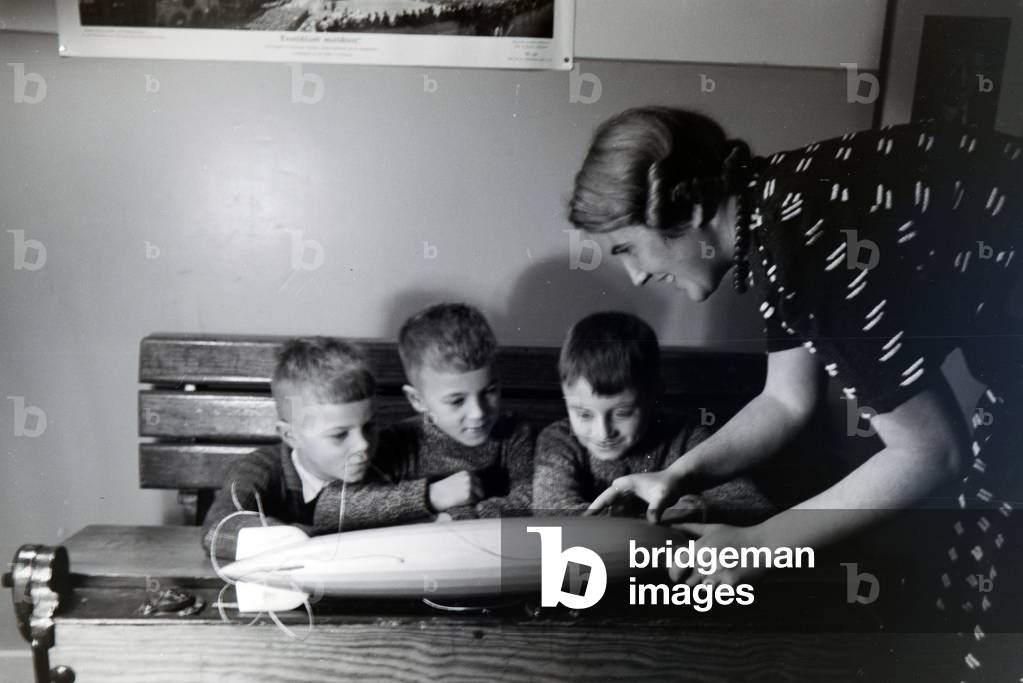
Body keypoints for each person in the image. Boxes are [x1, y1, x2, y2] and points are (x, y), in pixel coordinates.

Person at [570, 107, 1022, 680]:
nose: (634, 277)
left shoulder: (803, 241)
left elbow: (934, 453)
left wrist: (758, 544)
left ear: (689, 209)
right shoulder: (772, 208)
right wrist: (678, 475)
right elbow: (786, 400)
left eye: (627, 249)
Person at [533, 310, 773, 524]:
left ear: (654, 393)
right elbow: (552, 513)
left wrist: (694, 509)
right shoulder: (559, 440)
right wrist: (649, 521)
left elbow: (750, 502)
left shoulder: (686, 436)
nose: (603, 432)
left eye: (623, 413)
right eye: (584, 414)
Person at [351, 303, 534, 523]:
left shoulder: (515, 435)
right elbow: (330, 507)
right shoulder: (398, 443)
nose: (477, 413)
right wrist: (431, 496)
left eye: (489, 392)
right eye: (457, 401)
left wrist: (455, 517)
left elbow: (534, 499)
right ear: (417, 400)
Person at [202, 337, 380, 559]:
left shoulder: (383, 462)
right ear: (291, 436)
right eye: (340, 434)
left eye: (369, 426)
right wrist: (308, 540)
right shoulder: (260, 469)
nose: (363, 443)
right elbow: (218, 531)